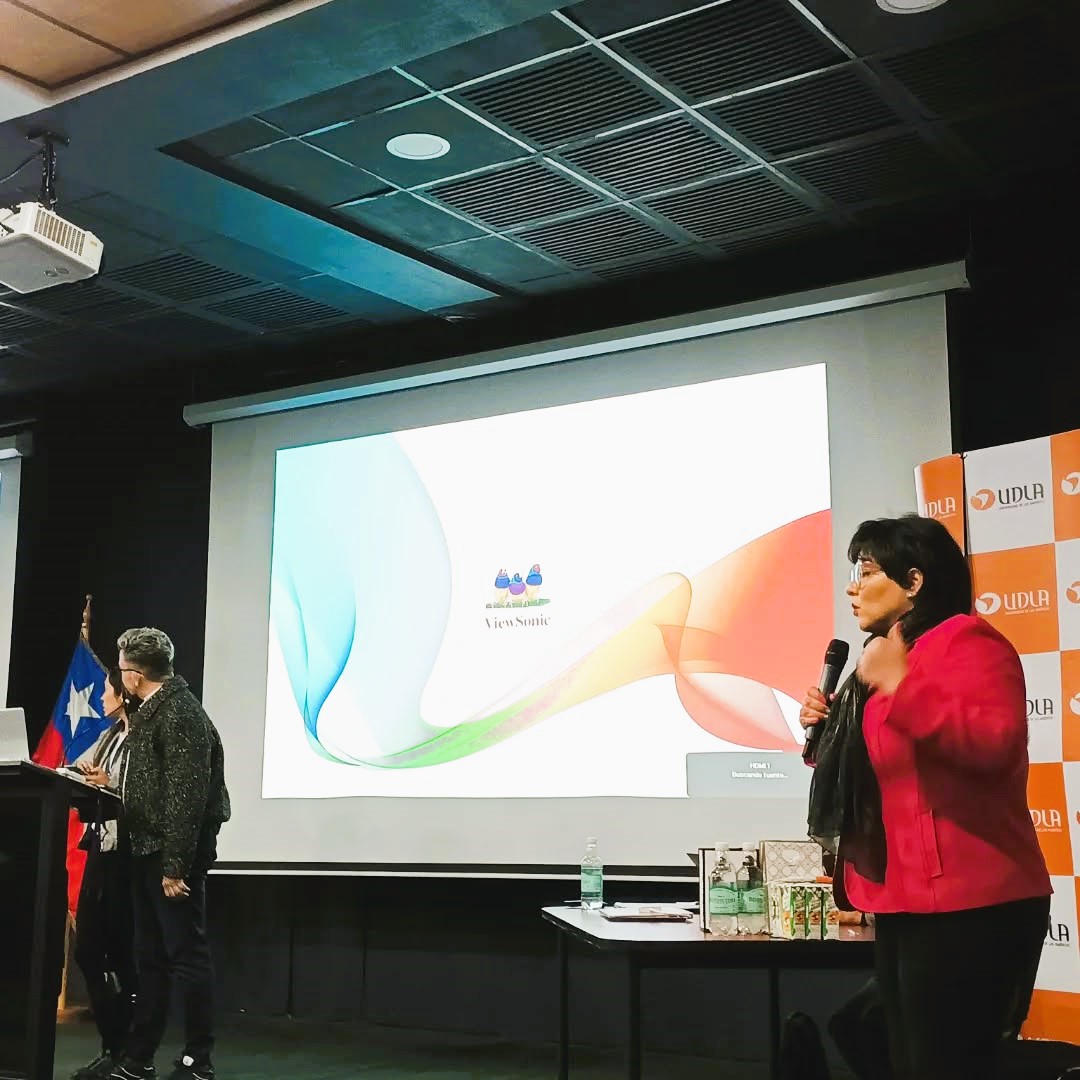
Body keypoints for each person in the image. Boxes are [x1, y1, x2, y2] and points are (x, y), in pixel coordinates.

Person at [800, 514, 1050, 1080]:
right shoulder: (884, 653)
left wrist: (900, 685)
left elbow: (994, 746)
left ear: (914, 581)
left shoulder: (967, 640)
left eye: (867, 572)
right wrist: (832, 726)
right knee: (894, 1053)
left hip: (972, 903)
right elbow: (884, 762)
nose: (852, 588)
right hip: (903, 900)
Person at [108, 628, 230, 1080]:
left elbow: (186, 797)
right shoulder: (153, 711)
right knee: (152, 958)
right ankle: (139, 1059)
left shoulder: (180, 714)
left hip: (172, 855)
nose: (120, 677)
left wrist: (175, 866)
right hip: (149, 848)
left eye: (122, 669)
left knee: (185, 955)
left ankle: (199, 1059)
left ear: (135, 676)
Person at [70, 668, 142, 1080]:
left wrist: (109, 783)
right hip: (101, 847)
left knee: (122, 954)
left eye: (106, 691)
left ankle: (128, 1052)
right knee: (87, 951)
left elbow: (145, 793)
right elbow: (85, 772)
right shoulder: (111, 735)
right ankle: (113, 1044)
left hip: (128, 856)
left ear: (124, 694)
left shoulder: (142, 738)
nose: (100, 699)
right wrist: (81, 775)